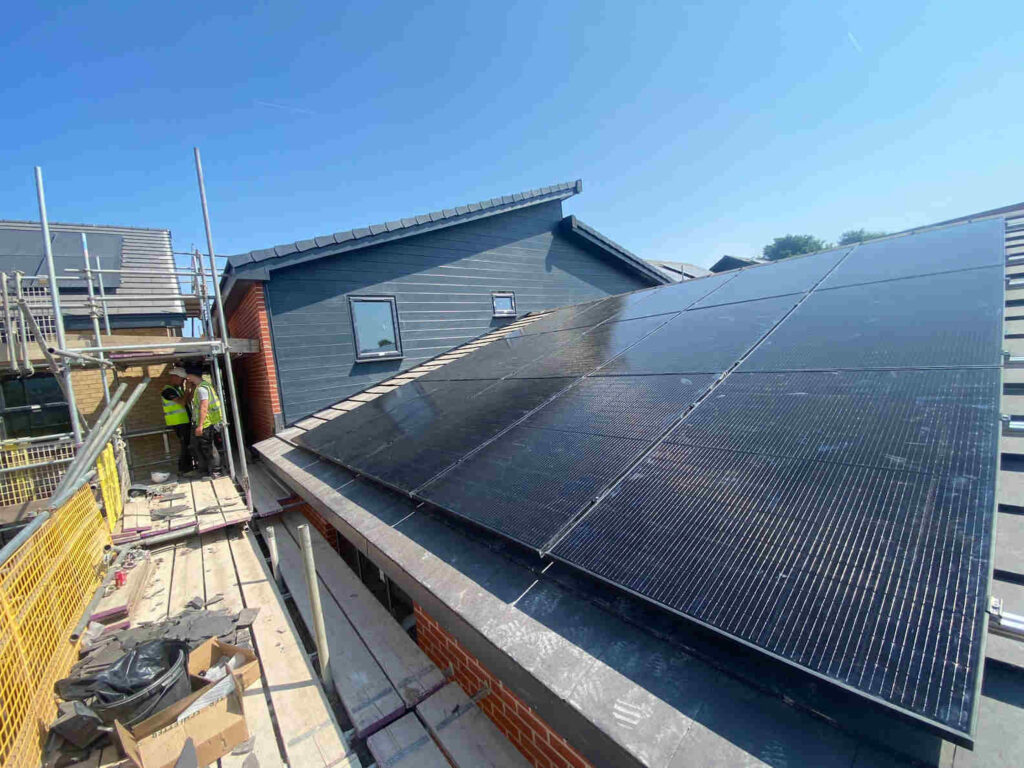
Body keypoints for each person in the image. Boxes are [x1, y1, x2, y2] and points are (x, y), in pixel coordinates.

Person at [185, 364, 224, 478]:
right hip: (204, 422)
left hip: (206, 423)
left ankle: (216, 471)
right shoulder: (201, 387)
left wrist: (200, 426)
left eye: (188, 375)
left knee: (209, 448)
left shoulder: (202, 389)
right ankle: (205, 470)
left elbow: (203, 407)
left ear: (192, 375)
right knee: (199, 447)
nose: (187, 378)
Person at [161, 366, 193, 475]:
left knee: (187, 444)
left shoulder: (177, 389)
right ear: (174, 377)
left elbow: (187, 400)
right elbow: (182, 402)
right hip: (179, 422)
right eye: (182, 379)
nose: (183, 381)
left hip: (184, 421)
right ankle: (185, 469)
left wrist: (189, 390)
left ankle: (186, 468)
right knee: (185, 446)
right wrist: (187, 390)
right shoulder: (168, 390)